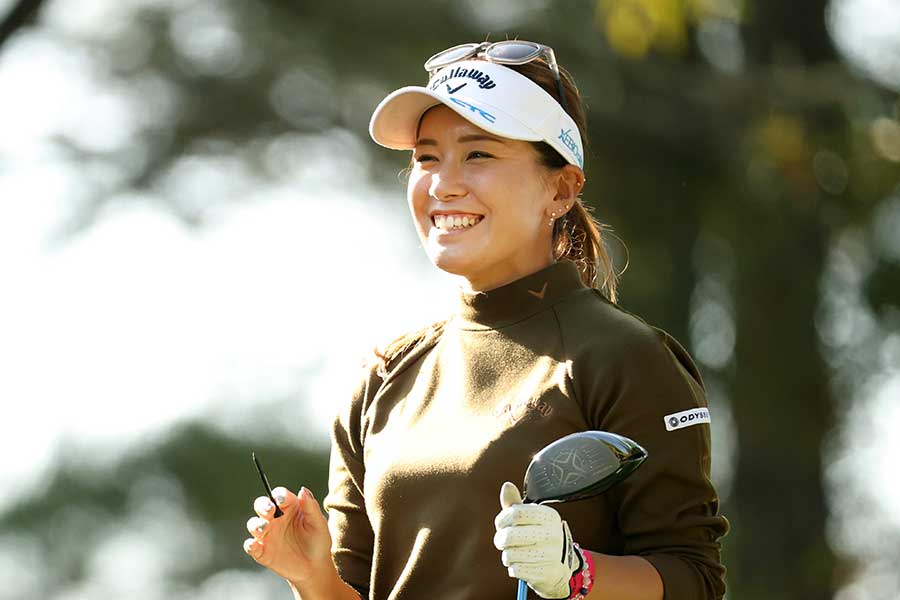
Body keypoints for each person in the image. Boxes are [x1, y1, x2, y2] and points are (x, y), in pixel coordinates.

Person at [242, 40, 729, 600]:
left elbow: (694, 579)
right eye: (427, 157)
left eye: (478, 155)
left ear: (561, 189)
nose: (443, 183)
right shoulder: (381, 377)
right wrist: (313, 577)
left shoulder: (625, 356)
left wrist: (577, 576)